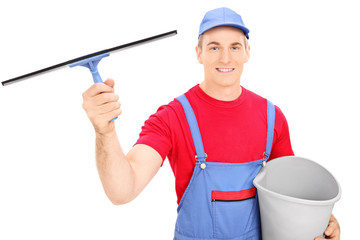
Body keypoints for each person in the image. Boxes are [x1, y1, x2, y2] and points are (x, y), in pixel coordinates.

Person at [81, 7, 340, 240]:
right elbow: (122, 190)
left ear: (247, 52)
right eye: (214, 47)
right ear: (199, 53)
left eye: (234, 47)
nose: (225, 58)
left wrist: (320, 224)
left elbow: (290, 199)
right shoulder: (172, 117)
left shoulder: (272, 117)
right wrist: (105, 131)